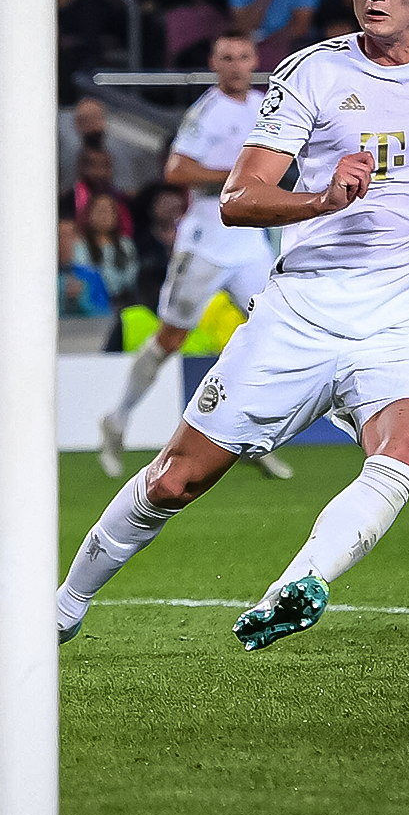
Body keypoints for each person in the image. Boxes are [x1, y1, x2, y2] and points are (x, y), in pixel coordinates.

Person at [58, 0, 409, 652]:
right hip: (302, 317)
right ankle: (61, 609)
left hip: (404, 328)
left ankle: (298, 584)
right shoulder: (312, 73)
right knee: (175, 481)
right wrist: (322, 199)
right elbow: (237, 198)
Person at [97, 33, 292, 482]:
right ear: (213, 63)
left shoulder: (266, 105)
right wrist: (240, 177)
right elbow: (176, 170)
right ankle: (118, 418)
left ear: (255, 61)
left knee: (276, 330)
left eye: (243, 57)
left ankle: (244, 430)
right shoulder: (207, 111)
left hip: (249, 243)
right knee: (171, 339)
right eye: (226, 58)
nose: (236, 65)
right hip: (205, 239)